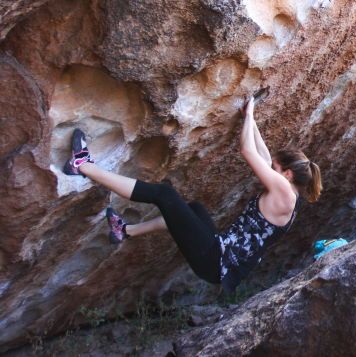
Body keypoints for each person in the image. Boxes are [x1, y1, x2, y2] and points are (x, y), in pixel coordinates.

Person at [62, 96, 322, 293]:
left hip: (215, 261)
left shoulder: (285, 196)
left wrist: (251, 114)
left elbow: (247, 151)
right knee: (193, 210)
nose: (271, 170)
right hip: (218, 254)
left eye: (277, 169)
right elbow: (265, 158)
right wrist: (249, 118)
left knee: (165, 195)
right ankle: (124, 231)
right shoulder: (287, 194)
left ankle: (82, 165)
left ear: (287, 175)